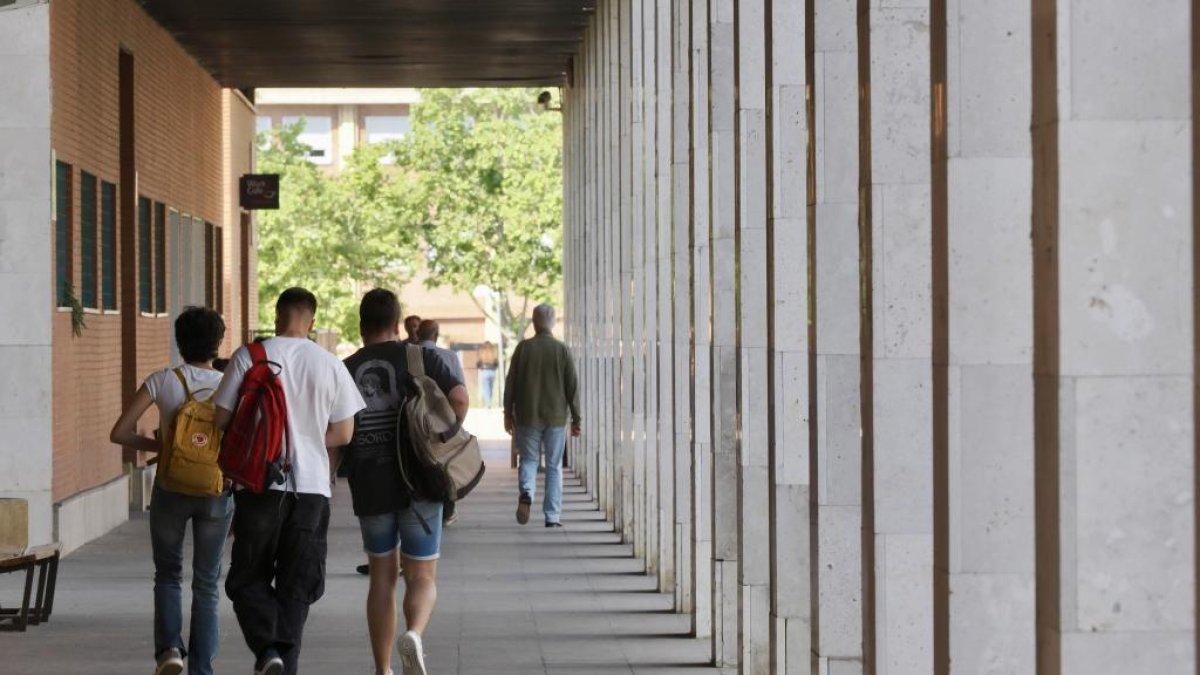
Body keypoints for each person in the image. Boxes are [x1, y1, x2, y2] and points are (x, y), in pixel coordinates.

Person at [213, 288, 366, 675]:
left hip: (260, 487)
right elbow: (345, 433)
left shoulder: (250, 356)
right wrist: (308, 437)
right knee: (297, 587)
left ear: (277, 315)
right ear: (311, 322)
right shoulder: (330, 363)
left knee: (248, 578)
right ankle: (284, 664)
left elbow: (220, 418)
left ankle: (268, 651)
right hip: (312, 489)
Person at [342, 289, 468, 675]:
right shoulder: (421, 357)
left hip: (370, 484)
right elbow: (460, 397)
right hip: (419, 482)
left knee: (381, 577)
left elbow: (337, 429)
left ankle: (383, 669)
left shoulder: (345, 368)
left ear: (361, 326)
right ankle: (413, 633)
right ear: (396, 323)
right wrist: (443, 438)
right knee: (422, 575)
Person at [109, 306, 232, 675]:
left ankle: (169, 652)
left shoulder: (162, 380)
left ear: (179, 342)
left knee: (167, 574)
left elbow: (119, 433)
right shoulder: (230, 386)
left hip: (169, 487)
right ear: (218, 343)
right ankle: (201, 668)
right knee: (208, 582)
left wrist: (164, 449)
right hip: (216, 488)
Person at [504, 304, 582, 528]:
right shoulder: (562, 350)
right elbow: (572, 388)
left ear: (533, 323)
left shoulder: (523, 349)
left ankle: (527, 493)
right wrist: (577, 419)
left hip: (528, 415)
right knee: (554, 465)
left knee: (528, 460)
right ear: (553, 322)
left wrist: (507, 413)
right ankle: (552, 516)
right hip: (556, 417)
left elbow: (511, 384)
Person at [476, 341, 499, 408]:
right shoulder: (493, 351)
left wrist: (479, 366)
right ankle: (489, 401)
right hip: (492, 371)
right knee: (490, 388)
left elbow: (479, 361)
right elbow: (496, 362)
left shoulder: (482, 351)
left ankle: (488, 403)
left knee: (486, 387)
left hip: (485, 370)